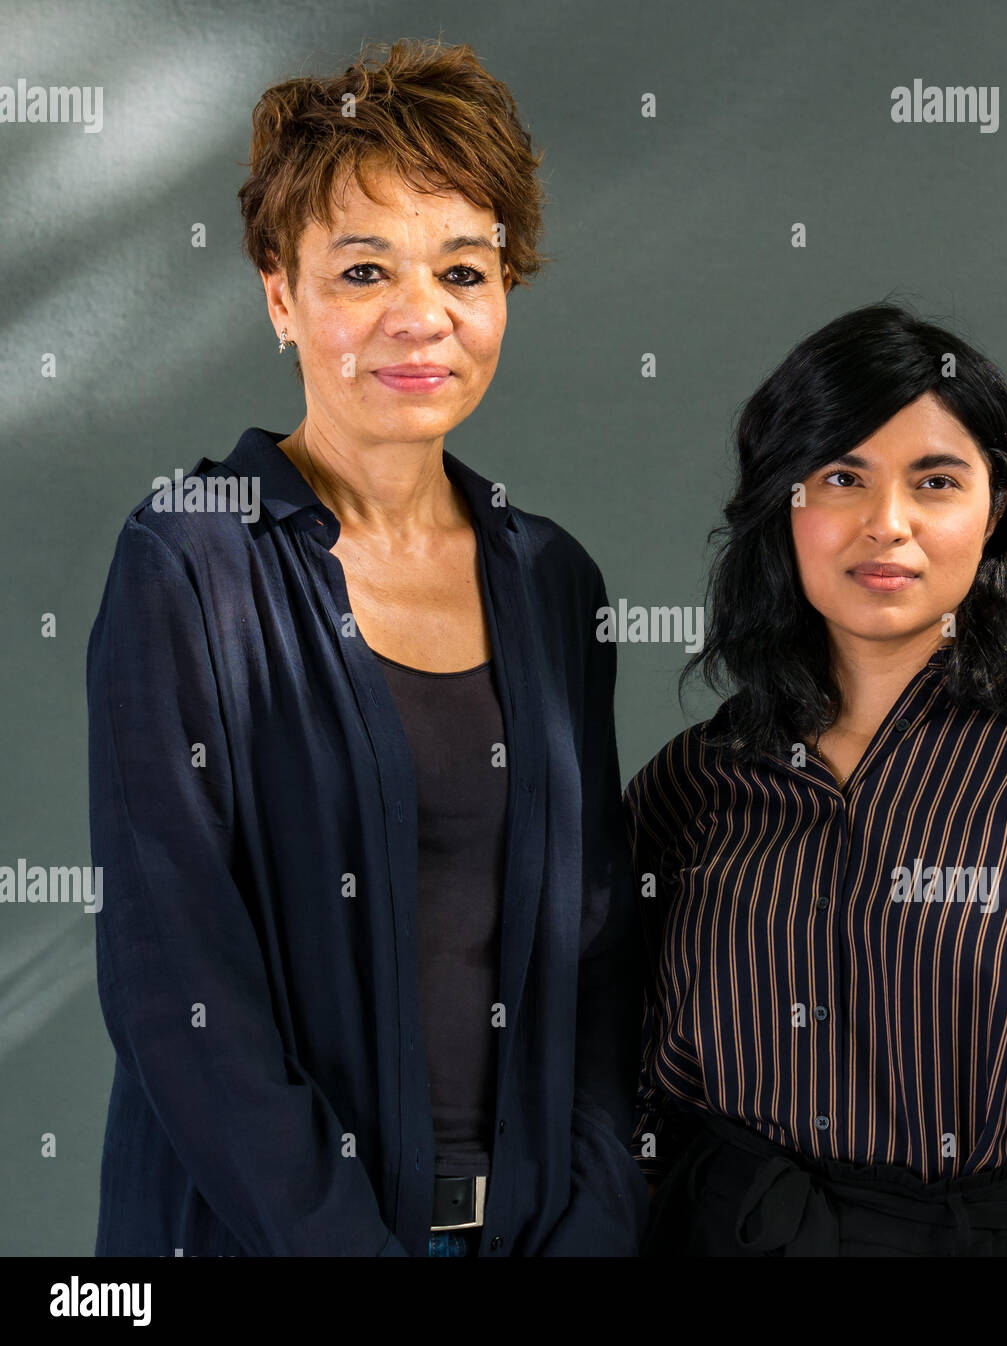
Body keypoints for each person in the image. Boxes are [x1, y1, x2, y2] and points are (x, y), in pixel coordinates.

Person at [87, 38, 646, 1258]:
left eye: (462, 268)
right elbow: (171, 975)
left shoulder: (552, 579)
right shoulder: (191, 558)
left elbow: (596, 953)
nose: (421, 316)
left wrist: (595, 1219)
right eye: (361, 269)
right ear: (280, 295)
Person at [624, 302, 1007, 1257]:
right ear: (783, 507)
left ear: (995, 516)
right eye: (841, 477)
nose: (887, 524)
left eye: (936, 480)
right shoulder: (695, 780)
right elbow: (626, 1089)